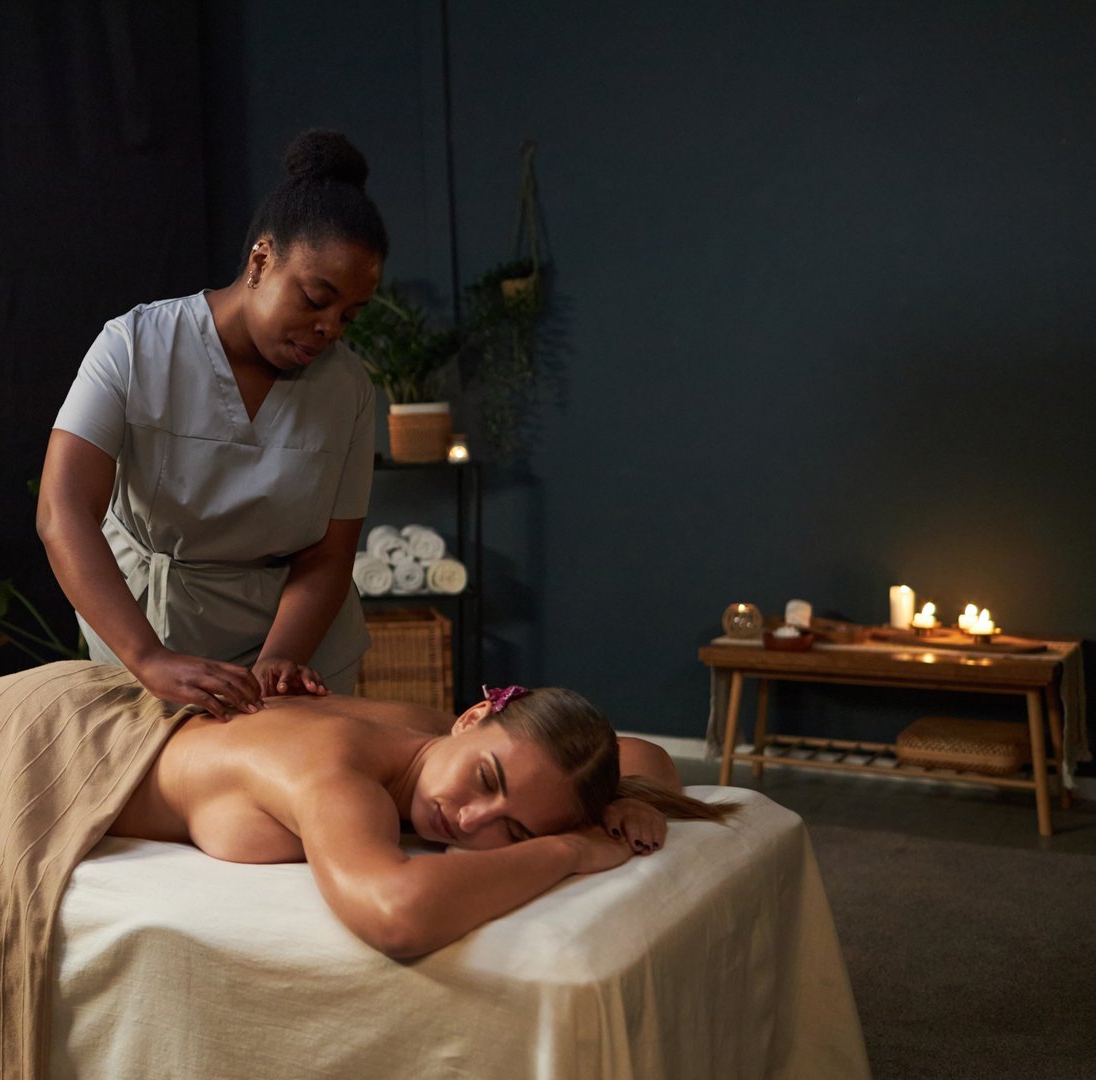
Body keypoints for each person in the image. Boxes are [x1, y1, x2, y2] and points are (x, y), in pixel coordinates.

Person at [37, 129, 388, 718]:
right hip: (152, 637)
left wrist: (280, 660)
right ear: (261, 261)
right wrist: (148, 656)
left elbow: (329, 556)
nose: (330, 328)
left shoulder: (348, 388)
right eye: (314, 298)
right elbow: (62, 511)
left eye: (349, 315)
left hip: (297, 647)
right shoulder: (134, 346)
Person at [107, 684, 736, 958]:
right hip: (73, 741)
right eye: (486, 779)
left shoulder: (434, 739)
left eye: (513, 831)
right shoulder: (336, 772)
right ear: (472, 717)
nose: (470, 820)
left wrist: (624, 803)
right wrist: (569, 850)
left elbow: (643, 754)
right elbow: (397, 915)